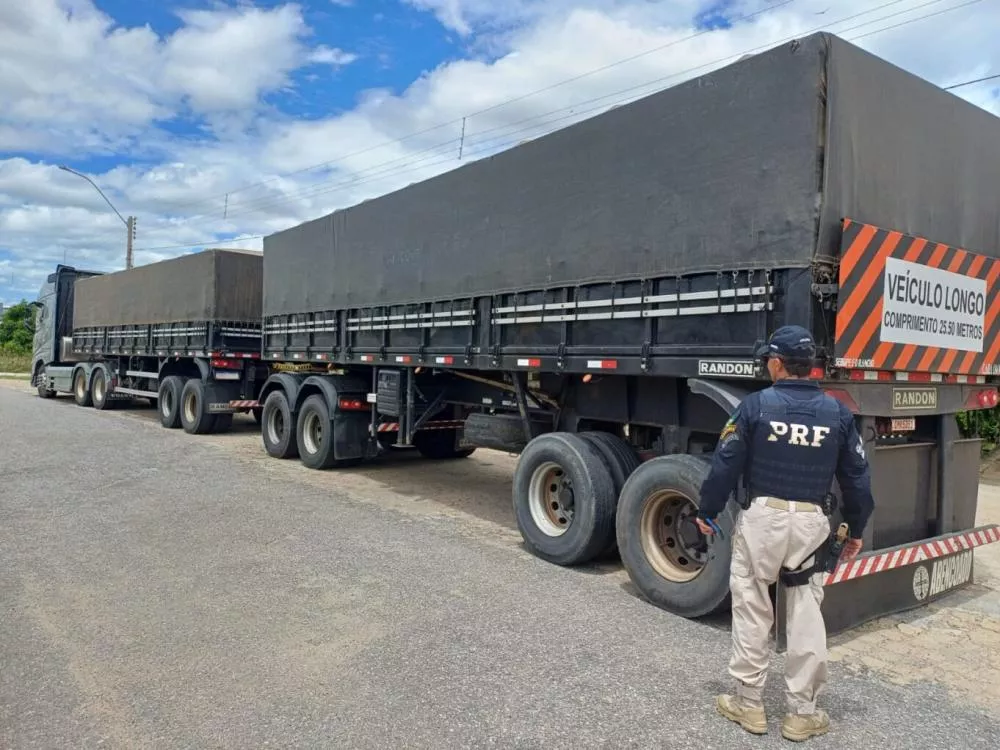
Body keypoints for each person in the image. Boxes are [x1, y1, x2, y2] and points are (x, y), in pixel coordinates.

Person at [695, 324, 874, 742]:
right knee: (806, 612)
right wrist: (855, 529)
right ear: (808, 366)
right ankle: (802, 713)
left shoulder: (754, 407)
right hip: (812, 522)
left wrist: (706, 509)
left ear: (777, 363)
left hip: (763, 519)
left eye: (767, 361)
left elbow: (725, 464)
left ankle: (748, 703)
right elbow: (858, 482)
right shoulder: (839, 414)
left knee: (753, 605)